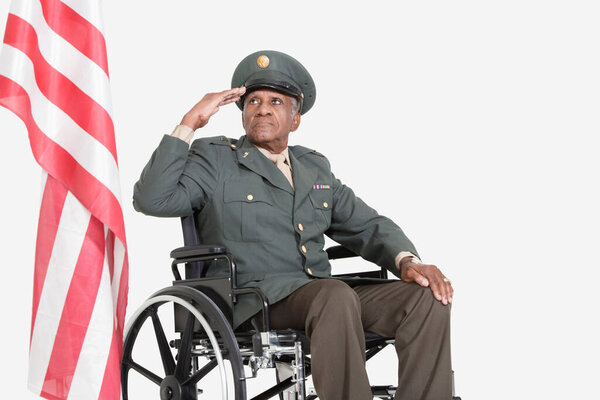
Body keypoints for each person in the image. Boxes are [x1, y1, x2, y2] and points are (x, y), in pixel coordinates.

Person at [133, 50, 454, 400]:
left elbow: (366, 223)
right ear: (242, 114)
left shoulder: (314, 168)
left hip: (324, 297)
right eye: (253, 100)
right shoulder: (216, 160)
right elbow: (151, 199)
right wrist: (189, 122)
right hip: (256, 300)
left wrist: (407, 262)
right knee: (333, 296)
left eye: (276, 101)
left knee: (427, 298)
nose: (263, 108)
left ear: (295, 118)